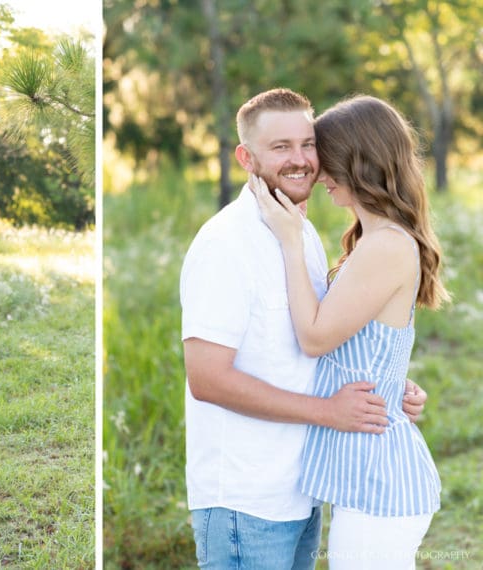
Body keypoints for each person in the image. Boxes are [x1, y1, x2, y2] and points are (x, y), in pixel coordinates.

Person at [179, 88, 427, 569]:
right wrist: (328, 411)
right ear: (246, 157)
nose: (302, 161)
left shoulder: (302, 232)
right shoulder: (226, 244)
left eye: (308, 144)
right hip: (246, 500)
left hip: (305, 489)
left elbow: (326, 342)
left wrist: (386, 385)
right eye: (280, 148)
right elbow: (206, 379)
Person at [252, 95, 448, 569]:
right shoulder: (376, 239)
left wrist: (291, 241)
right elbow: (372, 339)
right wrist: (391, 382)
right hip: (367, 474)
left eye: (327, 159)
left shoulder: (386, 245)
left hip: (381, 481)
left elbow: (317, 337)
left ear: (357, 163)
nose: (318, 175)